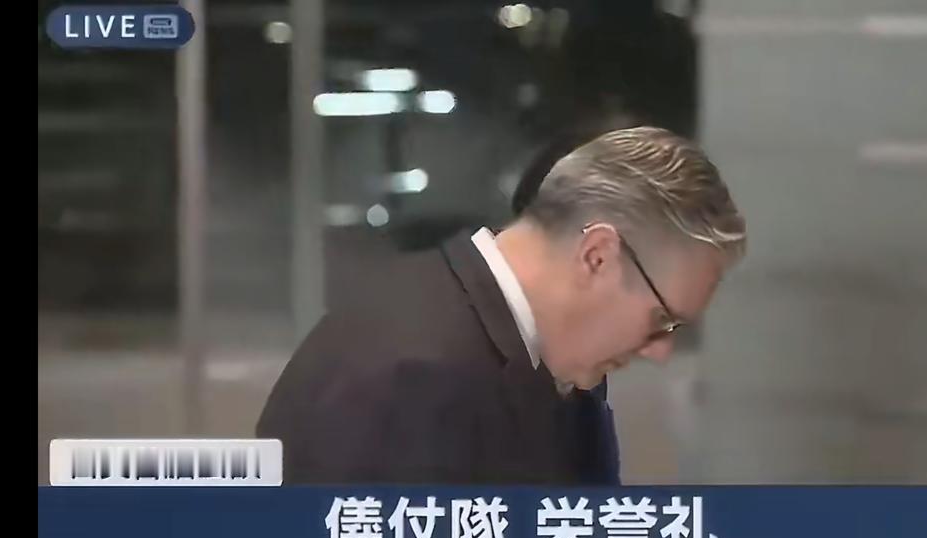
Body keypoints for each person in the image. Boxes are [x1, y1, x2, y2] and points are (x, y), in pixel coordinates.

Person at [256, 126, 747, 484]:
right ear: (597, 255)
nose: (659, 352)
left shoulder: (529, 355)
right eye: (661, 320)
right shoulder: (412, 381)